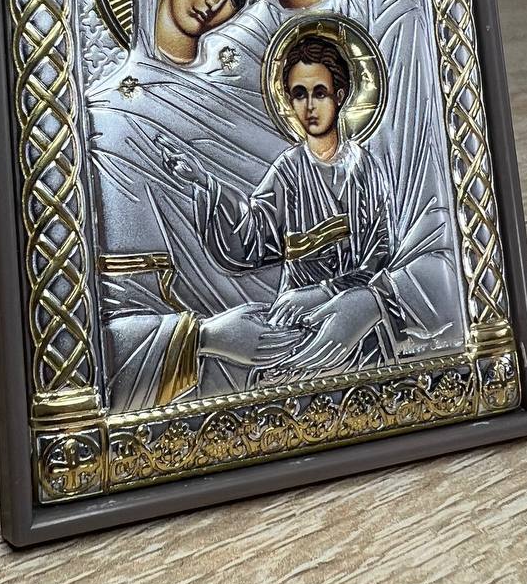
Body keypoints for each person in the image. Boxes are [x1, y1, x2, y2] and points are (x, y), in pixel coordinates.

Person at [195, 0, 465, 352]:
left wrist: (365, 298)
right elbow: (252, 236)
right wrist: (206, 194)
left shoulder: (395, 24)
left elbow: (433, 223)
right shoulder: (230, 50)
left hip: (372, 325)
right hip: (285, 325)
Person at [87, 0, 303, 410]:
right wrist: (206, 338)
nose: (220, 4)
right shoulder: (107, 120)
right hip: (216, 380)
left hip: (305, 335)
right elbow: (105, 328)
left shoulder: (245, 95)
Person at [156, 33, 400, 375]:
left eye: (320, 93)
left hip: (357, 329)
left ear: (340, 95)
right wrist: (205, 183)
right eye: (299, 94)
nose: (309, 107)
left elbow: (381, 258)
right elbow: (251, 238)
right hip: (296, 326)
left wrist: (323, 292)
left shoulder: (365, 171)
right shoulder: (288, 170)